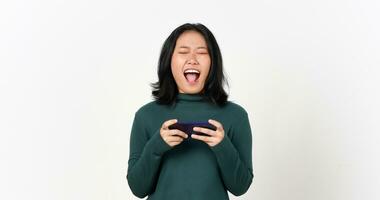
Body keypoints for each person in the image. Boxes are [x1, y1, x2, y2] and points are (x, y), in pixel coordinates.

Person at [126, 23, 253, 200]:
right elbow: (138, 188)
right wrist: (156, 146)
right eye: (183, 52)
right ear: (169, 60)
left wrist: (222, 145)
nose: (192, 59)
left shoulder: (235, 116)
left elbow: (240, 187)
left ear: (213, 62)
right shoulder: (146, 116)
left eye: (201, 52)